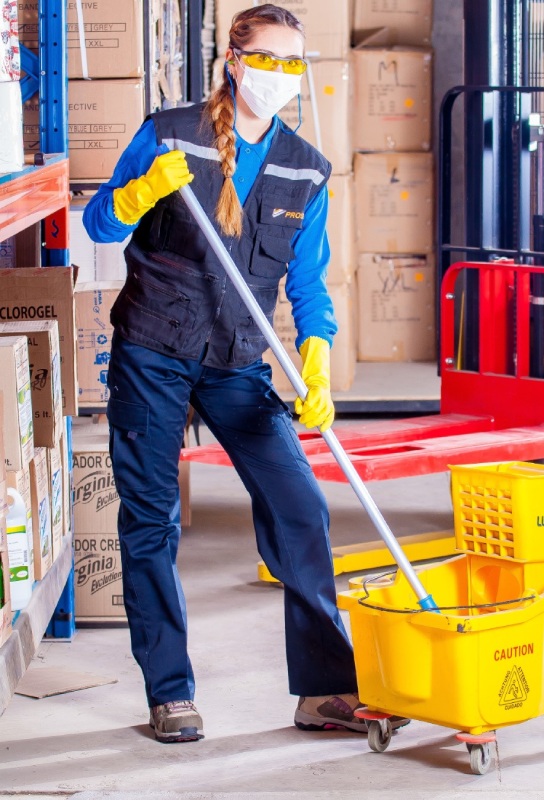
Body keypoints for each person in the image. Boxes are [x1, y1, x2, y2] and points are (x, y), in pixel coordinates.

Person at [83, 4, 408, 744]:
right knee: (150, 523)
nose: (281, 76)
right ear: (234, 61)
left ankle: (323, 689)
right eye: (268, 60)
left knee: (301, 507)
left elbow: (311, 286)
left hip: (236, 362)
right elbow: (100, 224)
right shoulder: (170, 134)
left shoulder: (304, 166)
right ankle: (170, 692)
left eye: (294, 64)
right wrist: (138, 194)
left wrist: (318, 364)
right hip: (154, 352)